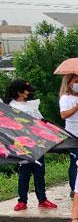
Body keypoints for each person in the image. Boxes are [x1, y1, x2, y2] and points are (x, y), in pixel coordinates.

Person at [5, 79, 57, 211]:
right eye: (26, 90)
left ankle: (42, 199)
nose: (29, 92)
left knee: (39, 172)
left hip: (38, 144)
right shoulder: (11, 106)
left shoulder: (32, 106)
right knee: (24, 173)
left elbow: (41, 121)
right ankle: (22, 201)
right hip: (22, 145)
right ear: (19, 92)